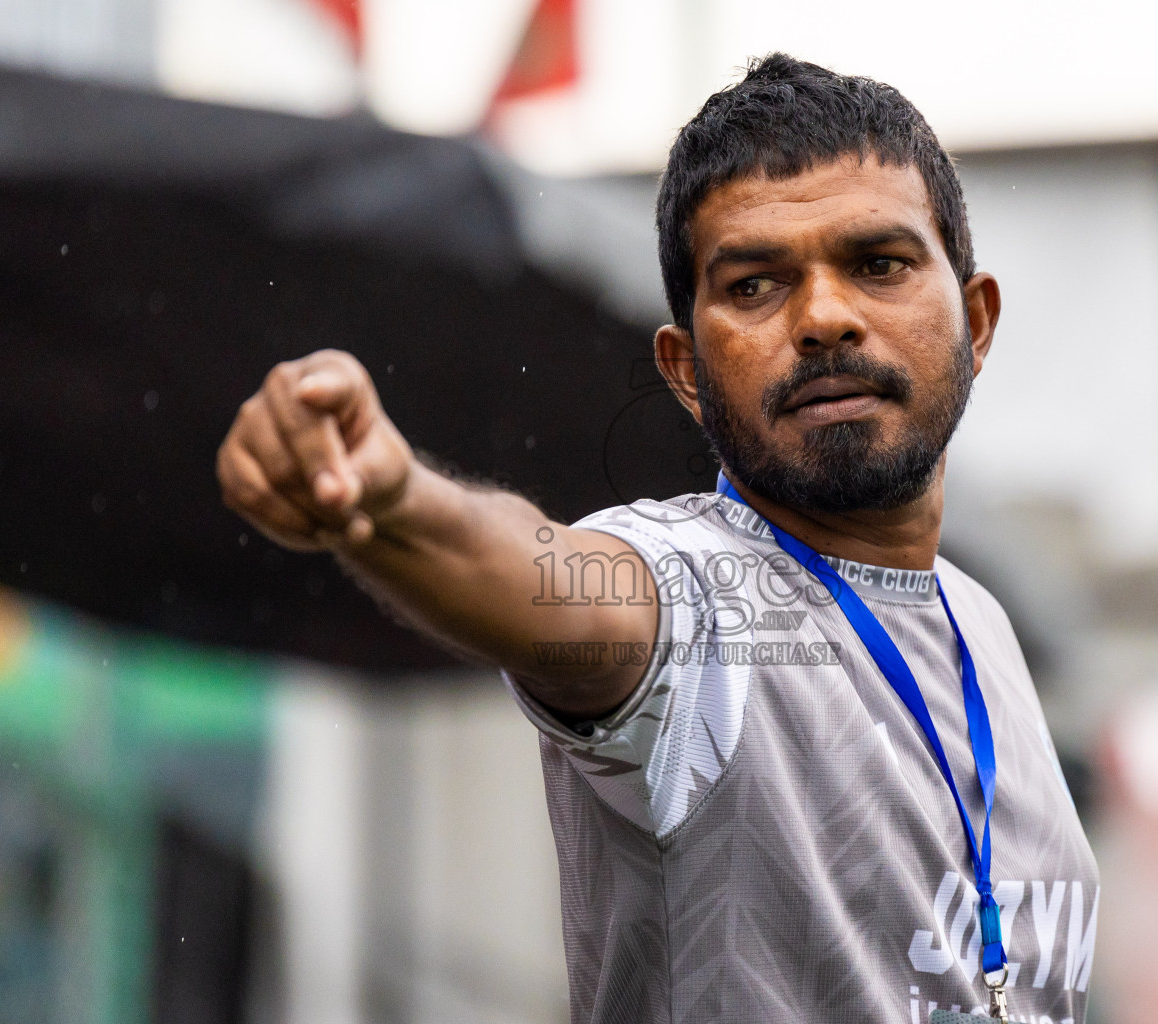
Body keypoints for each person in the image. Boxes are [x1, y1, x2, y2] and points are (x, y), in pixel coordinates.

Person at [216, 53, 1098, 1024]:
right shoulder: (696, 602)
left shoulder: (986, 632)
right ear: (684, 372)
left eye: (878, 263)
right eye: (757, 284)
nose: (824, 318)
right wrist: (390, 503)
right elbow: (548, 580)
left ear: (976, 322)